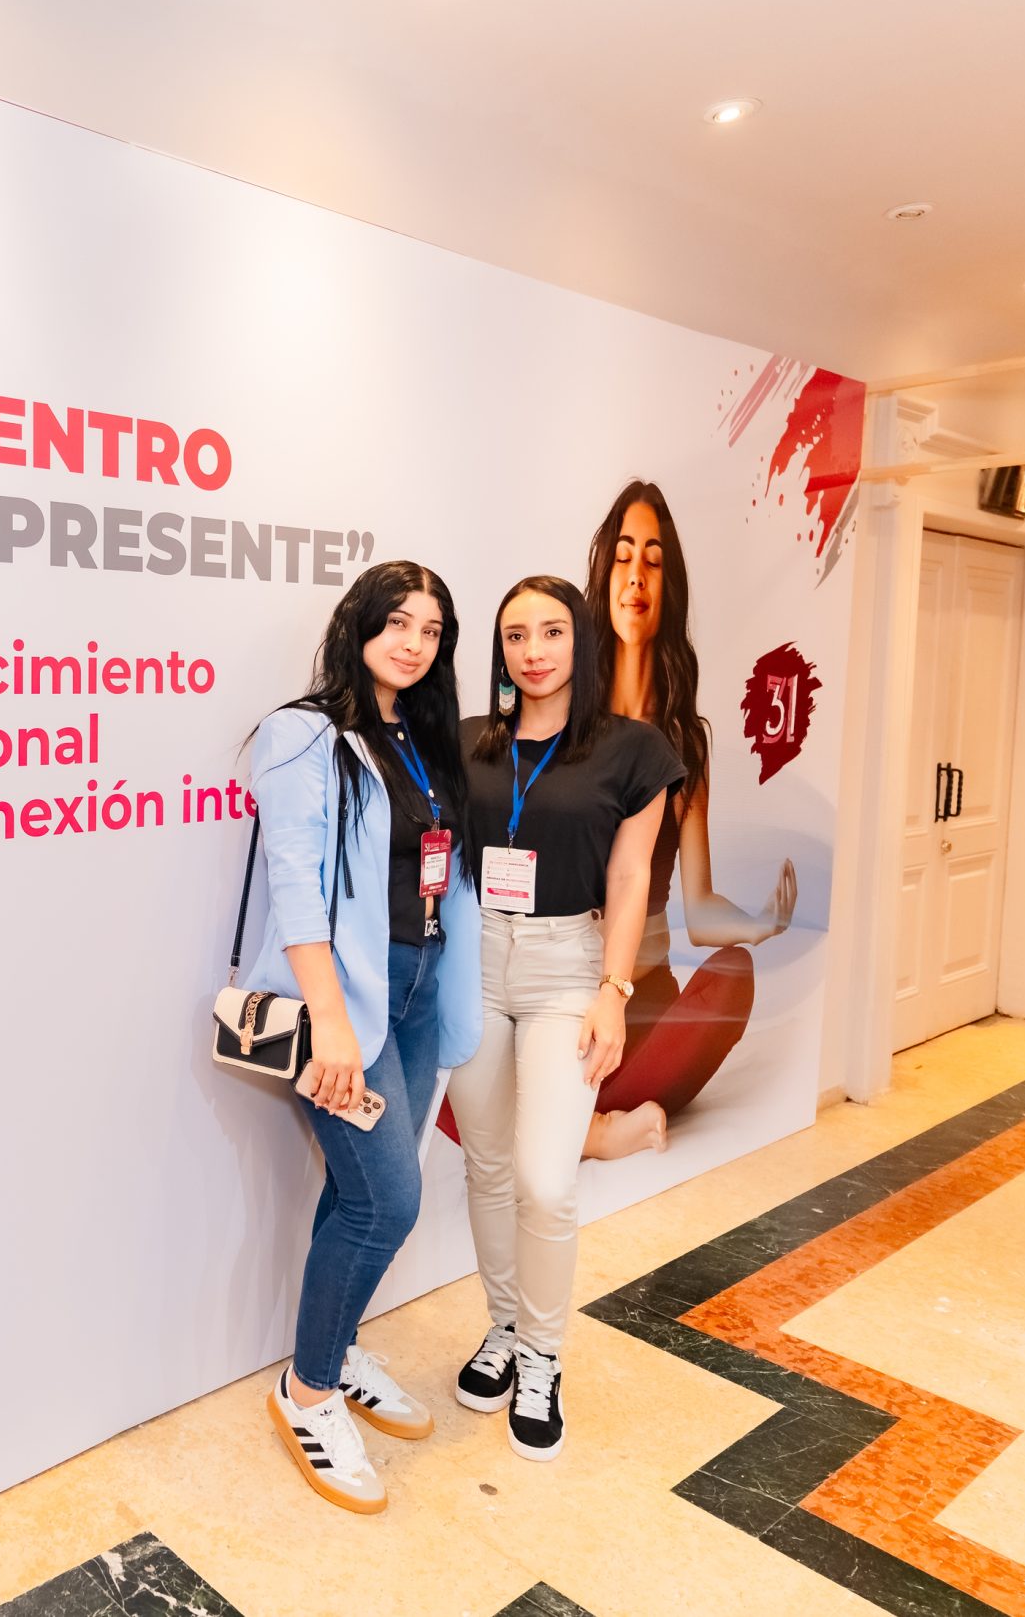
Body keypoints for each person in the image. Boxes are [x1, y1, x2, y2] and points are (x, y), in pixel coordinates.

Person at [242, 561, 482, 1515]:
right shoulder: (302, 734)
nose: (414, 642)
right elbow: (295, 883)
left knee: (357, 1191)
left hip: (417, 986)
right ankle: (307, 1394)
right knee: (389, 1200)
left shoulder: (421, 738)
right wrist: (331, 1021)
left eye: (432, 628)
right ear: (359, 625)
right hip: (347, 995)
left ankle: (333, 1354)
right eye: (398, 622)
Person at [447, 575, 680, 1461]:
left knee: (545, 1178)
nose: (533, 651)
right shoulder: (468, 740)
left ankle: (542, 1356)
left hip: (567, 967)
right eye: (516, 635)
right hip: (474, 957)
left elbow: (629, 875)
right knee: (487, 1165)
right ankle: (504, 1327)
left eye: (551, 631)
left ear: (580, 639)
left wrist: (614, 990)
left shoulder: (633, 750)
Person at [578, 480, 797, 1159]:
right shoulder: (565, 717)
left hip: (642, 997)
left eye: (653, 560)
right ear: (603, 575)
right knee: (461, 1038)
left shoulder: (684, 743)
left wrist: (762, 923)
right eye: (623, 557)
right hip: (563, 988)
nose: (636, 576)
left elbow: (699, 911)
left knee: (732, 975)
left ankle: (572, 1110)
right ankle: (594, 1127)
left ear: (668, 585)